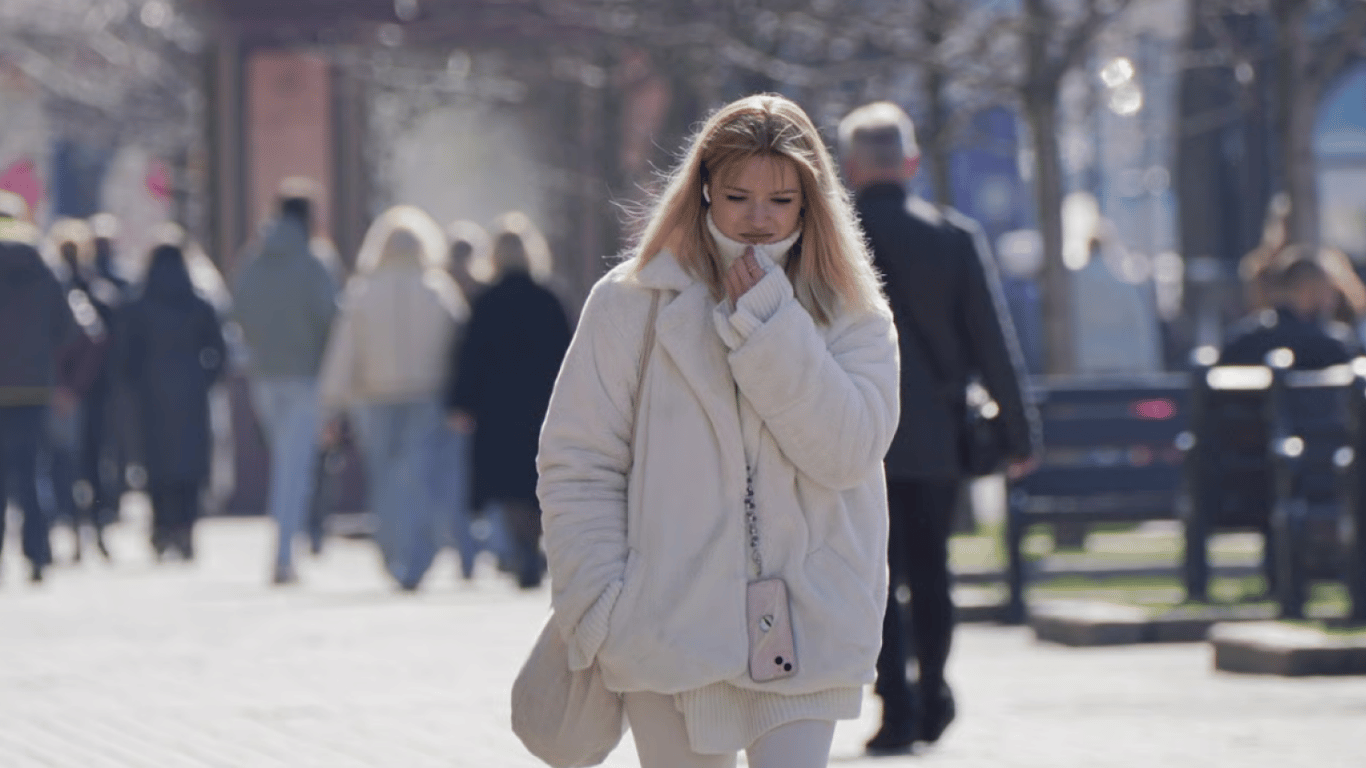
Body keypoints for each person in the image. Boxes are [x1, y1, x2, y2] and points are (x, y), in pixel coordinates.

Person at [535, 94, 898, 768]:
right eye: (737, 196)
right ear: (703, 189)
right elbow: (578, 461)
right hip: (666, 625)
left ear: (810, 203)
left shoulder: (853, 309)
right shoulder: (632, 300)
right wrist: (603, 603)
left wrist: (769, 318)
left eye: (781, 201)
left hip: (807, 625)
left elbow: (849, 451)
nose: (758, 219)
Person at [837, 101, 1037, 754]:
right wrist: (1019, 433)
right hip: (936, 437)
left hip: (855, 435)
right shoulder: (954, 238)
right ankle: (936, 691)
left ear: (850, 168)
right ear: (912, 162)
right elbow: (992, 342)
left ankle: (894, 703)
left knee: (874, 577)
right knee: (931, 570)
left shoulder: (829, 243)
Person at [319, 205, 468, 591]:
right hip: (425, 394)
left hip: (374, 398)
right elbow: (460, 345)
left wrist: (332, 402)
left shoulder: (363, 292)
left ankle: (391, 554)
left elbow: (344, 350)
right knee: (420, 477)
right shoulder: (439, 290)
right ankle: (419, 556)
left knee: (383, 477)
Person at [447, 212, 570, 590]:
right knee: (537, 480)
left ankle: (523, 549)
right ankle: (532, 548)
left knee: (511, 486)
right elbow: (570, 354)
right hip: (542, 406)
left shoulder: (486, 302)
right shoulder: (549, 298)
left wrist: (461, 403)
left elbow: (469, 356)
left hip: (498, 411)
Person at [231, 179, 339, 584]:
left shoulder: (254, 259)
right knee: (294, 470)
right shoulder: (314, 261)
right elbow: (330, 318)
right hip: (306, 375)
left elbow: (238, 311)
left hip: (264, 375)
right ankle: (282, 556)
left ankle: (288, 549)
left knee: (286, 464)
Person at [120, 238, 227, 560]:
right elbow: (220, 352)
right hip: (191, 393)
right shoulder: (198, 303)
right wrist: (204, 379)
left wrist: (135, 386)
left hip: (150, 396)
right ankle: (186, 529)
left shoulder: (138, 304)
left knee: (157, 465)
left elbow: (125, 357)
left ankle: (162, 528)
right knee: (190, 466)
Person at [0, 195, 78, 583]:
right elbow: (70, 325)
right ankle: (37, 554)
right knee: (33, 473)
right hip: (34, 386)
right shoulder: (42, 262)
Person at [44, 218, 116, 562]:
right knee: (92, 461)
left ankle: (75, 530)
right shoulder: (98, 289)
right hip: (93, 389)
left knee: (66, 462)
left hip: (63, 390)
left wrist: (66, 384)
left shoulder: (54, 288)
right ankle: (97, 530)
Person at [1219, 251, 1355, 369]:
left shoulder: (1240, 342)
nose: (1332, 299)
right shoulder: (1334, 347)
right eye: (1327, 290)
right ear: (1308, 290)